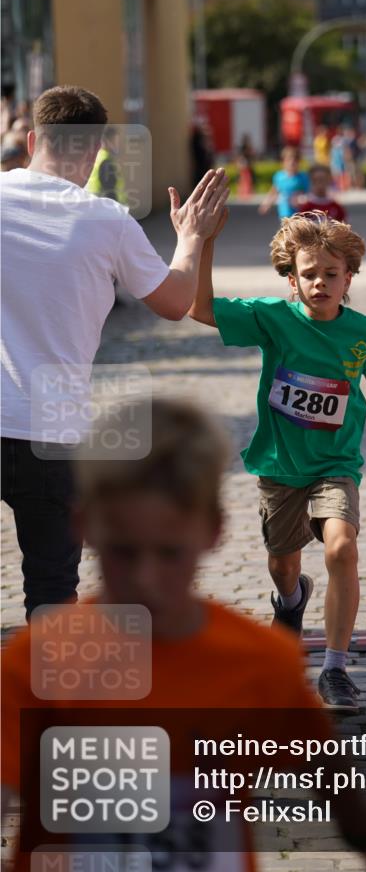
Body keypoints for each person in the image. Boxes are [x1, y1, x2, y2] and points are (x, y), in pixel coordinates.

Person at [1, 397, 366, 872]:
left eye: (170, 553)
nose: (147, 578)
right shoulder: (40, 660)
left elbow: (320, 760)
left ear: (213, 530)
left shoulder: (257, 660)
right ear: (83, 526)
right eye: (124, 552)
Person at [0, 85, 230, 618]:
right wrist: (191, 237)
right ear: (97, 148)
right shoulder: (107, 220)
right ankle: (53, 695)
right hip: (51, 430)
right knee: (52, 586)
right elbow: (176, 303)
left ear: (34, 139)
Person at [189, 212, 366, 712]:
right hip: (280, 466)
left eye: (331, 274)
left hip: (336, 464)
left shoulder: (363, 331)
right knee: (283, 564)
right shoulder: (274, 318)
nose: (320, 283)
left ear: (349, 278)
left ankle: (334, 669)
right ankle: (290, 602)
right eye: (309, 274)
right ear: (292, 279)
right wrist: (205, 243)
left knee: (342, 548)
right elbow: (199, 308)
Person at [259, 146, 308, 219]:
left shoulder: (303, 177)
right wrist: (266, 204)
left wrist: (301, 199)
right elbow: (274, 191)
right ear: (283, 162)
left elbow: (309, 193)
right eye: (288, 160)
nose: (291, 163)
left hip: (300, 213)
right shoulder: (279, 176)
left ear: (299, 162)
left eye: (295, 161)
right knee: (286, 229)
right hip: (284, 212)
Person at [86, 124, 128, 204]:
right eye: (115, 140)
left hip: (96, 206)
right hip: (108, 209)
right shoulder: (106, 161)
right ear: (108, 141)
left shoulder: (96, 157)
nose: (117, 144)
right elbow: (110, 191)